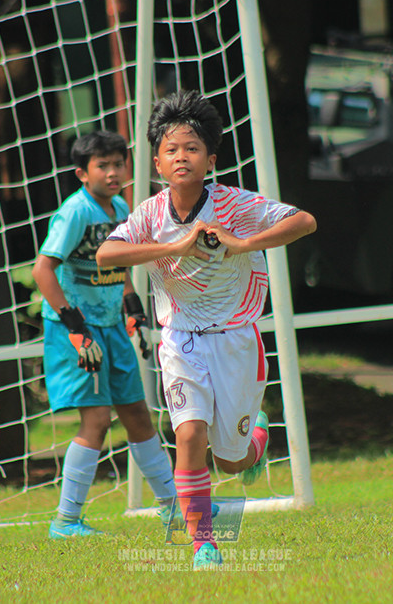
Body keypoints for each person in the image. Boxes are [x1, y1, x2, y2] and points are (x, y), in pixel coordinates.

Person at [96, 90, 317, 570]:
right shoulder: (150, 215)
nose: (182, 157)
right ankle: (204, 547)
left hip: (237, 340)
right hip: (179, 341)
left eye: (192, 149)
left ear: (210, 159)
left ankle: (255, 443)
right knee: (190, 434)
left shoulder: (234, 205)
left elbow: (305, 222)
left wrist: (242, 246)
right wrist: (171, 248)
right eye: (172, 150)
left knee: (230, 462)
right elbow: (106, 255)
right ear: (157, 161)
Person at [33, 130, 177, 539]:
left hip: (112, 324)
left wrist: (134, 311)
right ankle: (66, 521)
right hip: (78, 328)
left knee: (136, 413)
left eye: (119, 163)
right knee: (96, 419)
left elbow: (117, 268)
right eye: (103, 165)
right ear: (82, 173)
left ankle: (173, 509)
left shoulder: (119, 206)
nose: (114, 172)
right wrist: (75, 329)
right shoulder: (75, 212)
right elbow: (42, 270)